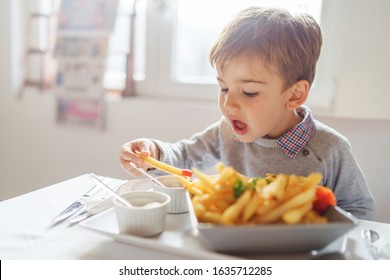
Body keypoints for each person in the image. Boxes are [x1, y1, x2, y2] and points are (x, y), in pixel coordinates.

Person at [119, 7, 375, 220]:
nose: (229, 105)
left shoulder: (329, 148)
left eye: (250, 92)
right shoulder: (227, 131)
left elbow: (360, 210)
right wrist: (153, 153)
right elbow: (185, 157)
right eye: (224, 87)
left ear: (294, 95)